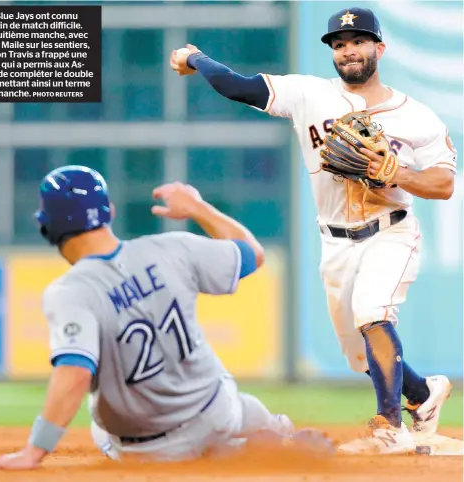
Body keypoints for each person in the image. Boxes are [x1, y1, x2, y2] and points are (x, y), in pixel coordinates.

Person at [170, 7, 456, 455]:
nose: (349, 50)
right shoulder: (308, 94)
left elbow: (443, 184)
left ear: (379, 48)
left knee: (373, 313)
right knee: (358, 352)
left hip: (391, 231)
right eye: (340, 44)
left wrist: (395, 171)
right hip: (335, 240)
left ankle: (389, 426)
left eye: (358, 41)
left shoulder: (416, 116)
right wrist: (197, 58)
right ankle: (422, 394)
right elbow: (237, 86)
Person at [0, 165, 335, 471]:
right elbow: (252, 255)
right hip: (218, 407)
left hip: (153, 447)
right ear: (109, 212)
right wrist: (198, 209)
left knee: (101, 424)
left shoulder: (70, 291)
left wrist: (35, 451)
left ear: (47, 227)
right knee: (234, 403)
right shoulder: (171, 248)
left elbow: (76, 373)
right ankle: (274, 435)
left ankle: (230, 454)